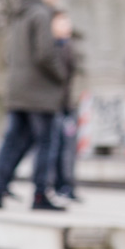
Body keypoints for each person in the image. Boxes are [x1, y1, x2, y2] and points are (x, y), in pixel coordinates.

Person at [0, 0, 69, 211]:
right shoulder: (42, 13)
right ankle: (40, 195)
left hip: (17, 90)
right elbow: (45, 53)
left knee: (13, 142)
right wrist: (61, 75)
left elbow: (8, 54)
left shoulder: (19, 15)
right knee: (46, 143)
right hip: (40, 92)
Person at [51, 11, 80, 201]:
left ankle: (66, 186)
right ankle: (57, 185)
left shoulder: (69, 46)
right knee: (55, 147)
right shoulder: (52, 47)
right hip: (53, 105)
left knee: (67, 147)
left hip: (66, 105)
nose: (67, 26)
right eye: (62, 22)